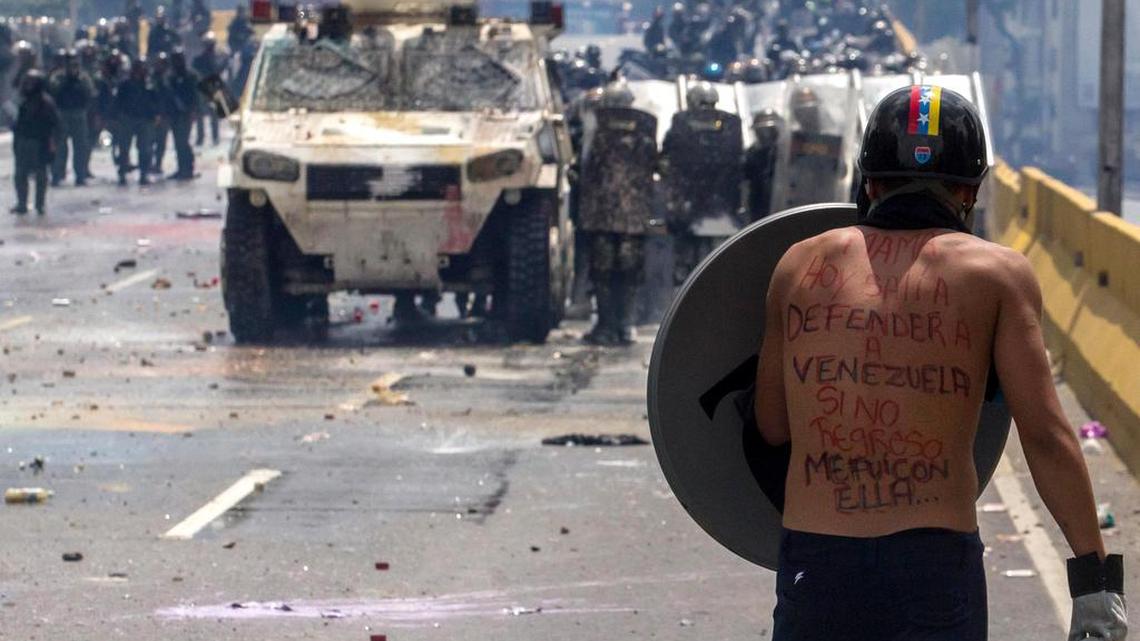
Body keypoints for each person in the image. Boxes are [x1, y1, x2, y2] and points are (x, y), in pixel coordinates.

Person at [753, 85, 1126, 641]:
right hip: (931, 564)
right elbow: (1046, 436)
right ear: (968, 193)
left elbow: (773, 425)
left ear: (870, 182)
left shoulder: (801, 265)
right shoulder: (996, 274)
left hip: (819, 560)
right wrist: (1094, 578)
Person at [577, 80, 657, 345]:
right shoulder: (646, 126)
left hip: (600, 214)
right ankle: (626, 325)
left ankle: (606, 326)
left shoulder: (595, 124)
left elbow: (586, 163)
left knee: (602, 272)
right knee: (630, 272)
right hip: (634, 216)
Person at [10, 71, 59, 215]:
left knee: (41, 175)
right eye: (27, 82)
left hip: (40, 143)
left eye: (32, 82)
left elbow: (55, 124)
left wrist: (53, 142)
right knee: (20, 175)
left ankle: (40, 204)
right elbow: (15, 121)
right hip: (23, 141)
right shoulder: (21, 101)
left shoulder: (46, 102)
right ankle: (22, 204)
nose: (28, 85)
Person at [48, 50, 95, 186]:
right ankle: (57, 174)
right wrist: (66, 79)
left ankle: (80, 174)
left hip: (79, 113)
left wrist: (77, 79)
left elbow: (89, 93)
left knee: (80, 146)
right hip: (62, 113)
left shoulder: (83, 77)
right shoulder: (58, 76)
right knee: (60, 146)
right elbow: (53, 90)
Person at [112, 57, 157, 186]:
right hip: (127, 119)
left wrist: (156, 115)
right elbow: (118, 102)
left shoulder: (149, 85)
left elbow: (155, 101)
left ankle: (144, 173)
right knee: (124, 148)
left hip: (144, 119)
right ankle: (122, 173)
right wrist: (115, 118)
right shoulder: (125, 85)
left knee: (144, 149)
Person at [162, 48, 198, 180]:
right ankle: (181, 168)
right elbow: (167, 96)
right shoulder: (170, 77)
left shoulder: (190, 76)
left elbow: (194, 96)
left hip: (185, 113)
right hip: (175, 114)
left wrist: (193, 111)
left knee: (183, 142)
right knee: (178, 142)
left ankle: (188, 168)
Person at [742, 109, 781, 223]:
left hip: (782, 204)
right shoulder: (752, 153)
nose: (766, 134)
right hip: (759, 206)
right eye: (763, 130)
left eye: (770, 130)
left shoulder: (785, 153)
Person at [191, 32, 222, 146]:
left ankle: (215, 137)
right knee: (200, 114)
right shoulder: (198, 60)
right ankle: (201, 138)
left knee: (214, 114)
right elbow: (195, 73)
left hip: (214, 87)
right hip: (203, 87)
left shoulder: (218, 58)